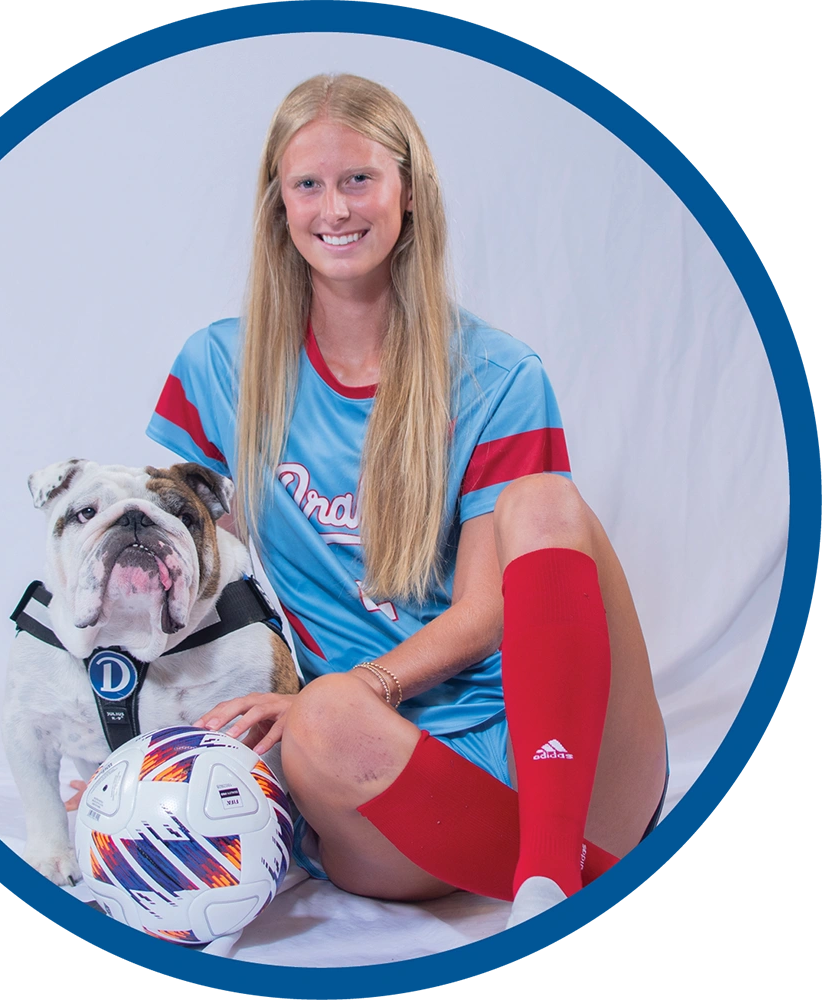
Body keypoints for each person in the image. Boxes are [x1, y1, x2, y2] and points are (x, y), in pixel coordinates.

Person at [145, 73, 667, 928]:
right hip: (378, 778)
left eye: (359, 179)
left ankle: (548, 871)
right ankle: (589, 877)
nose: (335, 207)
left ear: (408, 193)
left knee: (546, 501)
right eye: (308, 183)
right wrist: (134, 745)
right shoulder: (218, 369)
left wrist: (369, 682)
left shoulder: (499, 376)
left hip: (559, 754)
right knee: (324, 721)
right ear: (277, 202)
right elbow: (193, 584)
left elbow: (485, 611)